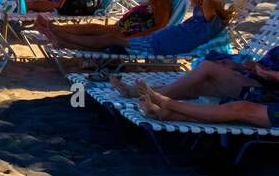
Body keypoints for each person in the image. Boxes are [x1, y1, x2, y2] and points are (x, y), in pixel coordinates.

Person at [117, 46, 279, 129]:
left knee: (241, 109)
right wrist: (244, 67)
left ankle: (166, 103)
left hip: (266, 90)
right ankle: (164, 112)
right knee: (207, 86)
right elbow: (263, 67)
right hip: (267, 89)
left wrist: (270, 74)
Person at [39, 0, 231, 56]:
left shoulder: (211, 23)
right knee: (108, 36)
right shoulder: (202, 18)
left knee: (110, 39)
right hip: (156, 41)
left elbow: (203, 0)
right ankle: (62, 38)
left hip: (156, 45)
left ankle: (62, 37)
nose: (203, 1)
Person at [33, 0, 172, 48]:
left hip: (127, 35)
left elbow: (158, 28)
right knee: (92, 28)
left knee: (97, 35)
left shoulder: (162, 4)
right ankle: (57, 32)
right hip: (120, 30)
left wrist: (133, 38)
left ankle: (59, 34)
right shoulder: (151, 2)